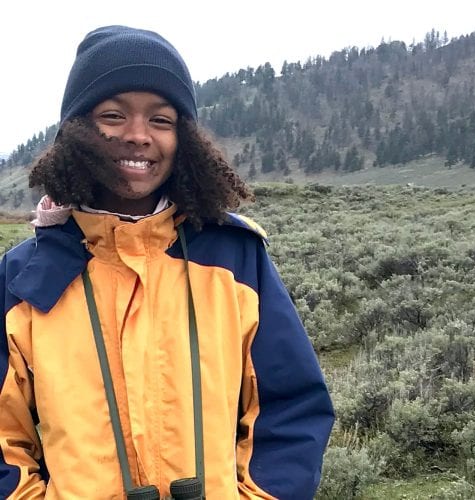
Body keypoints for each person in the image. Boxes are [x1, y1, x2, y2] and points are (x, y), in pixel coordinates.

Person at [0, 25, 334, 499]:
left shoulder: (234, 258)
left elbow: (292, 406)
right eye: (113, 115)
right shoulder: (25, 277)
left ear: (185, 139)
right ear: (76, 132)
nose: (138, 136)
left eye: (162, 120)